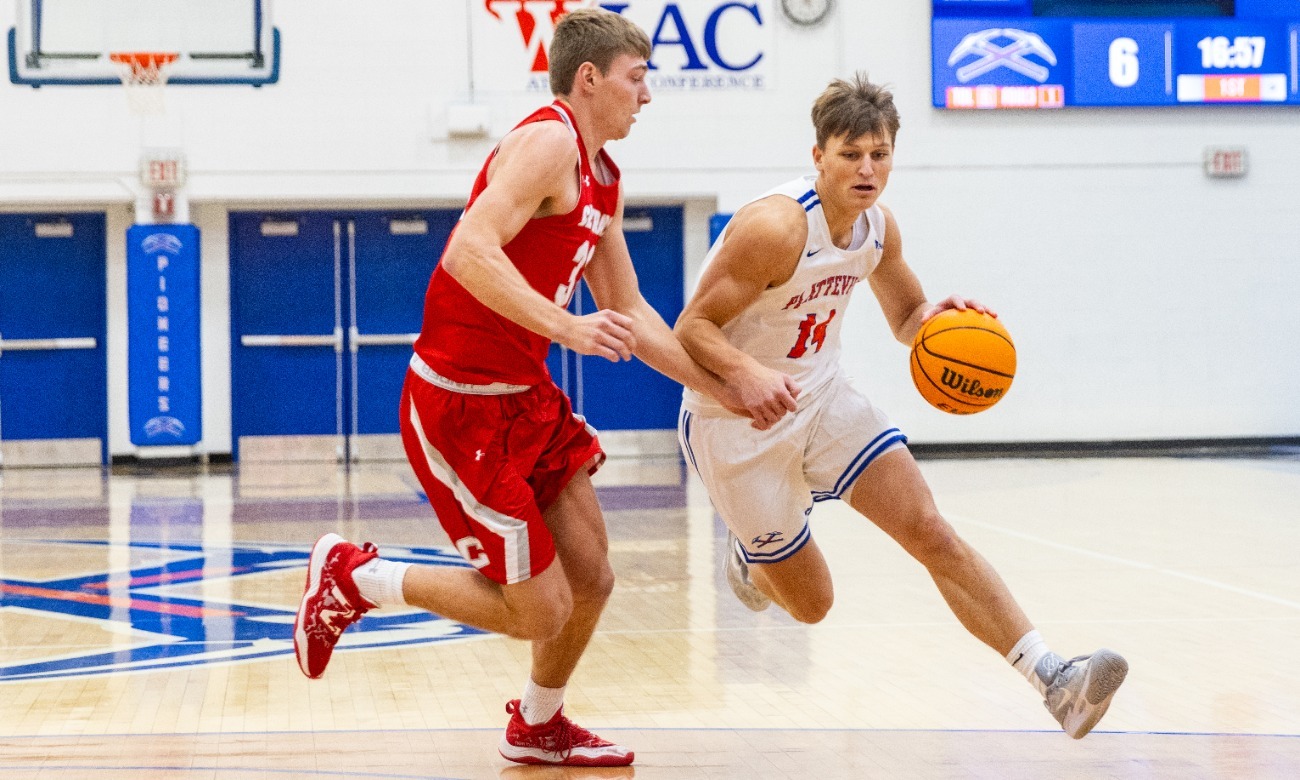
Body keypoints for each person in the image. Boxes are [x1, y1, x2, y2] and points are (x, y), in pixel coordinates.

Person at [293, 9, 745, 767]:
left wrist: (718, 386)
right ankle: (359, 576)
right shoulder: (547, 141)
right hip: (457, 402)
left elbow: (629, 308)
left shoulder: (604, 176)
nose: (648, 96)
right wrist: (568, 329)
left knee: (593, 576)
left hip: (524, 397)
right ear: (590, 78)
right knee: (543, 608)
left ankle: (538, 724)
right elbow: (468, 248)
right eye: (638, 79)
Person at [674, 72, 1128, 740]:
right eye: (851, 153)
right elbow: (691, 328)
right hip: (733, 419)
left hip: (822, 395)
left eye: (879, 154)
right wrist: (746, 375)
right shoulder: (772, 228)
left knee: (930, 530)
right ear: (818, 156)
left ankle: (1055, 681)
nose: (866, 168)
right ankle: (753, 553)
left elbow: (906, 314)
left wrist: (936, 320)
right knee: (813, 605)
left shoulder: (876, 229)